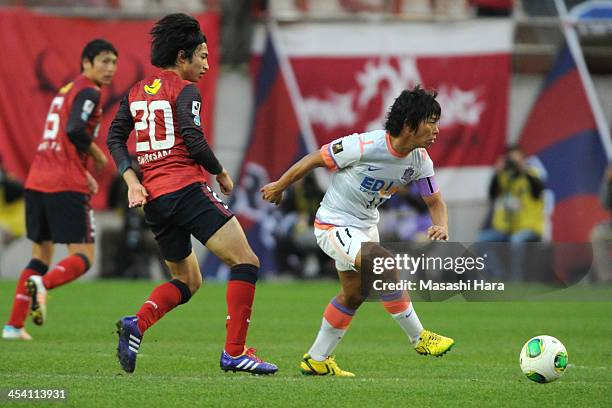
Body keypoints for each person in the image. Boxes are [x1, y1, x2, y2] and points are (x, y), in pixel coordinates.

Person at [107, 13, 277, 375]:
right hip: (184, 189)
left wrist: (133, 181)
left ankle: (137, 324)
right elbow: (193, 137)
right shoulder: (184, 90)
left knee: (188, 280)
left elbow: (114, 137)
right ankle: (234, 352)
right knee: (246, 262)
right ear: (182, 57)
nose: (206, 64)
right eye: (202, 56)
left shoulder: (137, 91)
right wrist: (221, 172)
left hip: (154, 200)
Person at [261, 86, 454, 377]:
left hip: (365, 228)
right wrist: (279, 186)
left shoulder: (420, 160)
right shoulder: (363, 146)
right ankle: (419, 338)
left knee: (354, 295)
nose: (437, 130)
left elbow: (434, 200)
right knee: (385, 264)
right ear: (409, 124)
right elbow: (316, 158)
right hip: (333, 224)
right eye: (431, 121)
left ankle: (316, 359)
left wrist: (441, 224)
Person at [2, 39, 117, 341]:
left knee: (40, 255)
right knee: (83, 257)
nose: (110, 68)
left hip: (37, 180)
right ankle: (44, 285)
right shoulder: (89, 91)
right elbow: (75, 130)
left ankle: (13, 326)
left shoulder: (66, 91)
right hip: (64, 183)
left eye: (114, 62)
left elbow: (62, 139)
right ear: (86, 62)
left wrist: (83, 170)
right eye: (104, 61)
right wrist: (97, 155)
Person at [478, 145, 545, 243]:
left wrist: (523, 169)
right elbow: (492, 195)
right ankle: (497, 259)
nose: (513, 163)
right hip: (509, 228)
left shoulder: (531, 174)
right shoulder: (505, 177)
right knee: (483, 238)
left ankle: (517, 259)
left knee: (516, 240)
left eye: (516, 160)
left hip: (530, 227)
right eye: (511, 160)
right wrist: (497, 173)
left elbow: (539, 190)